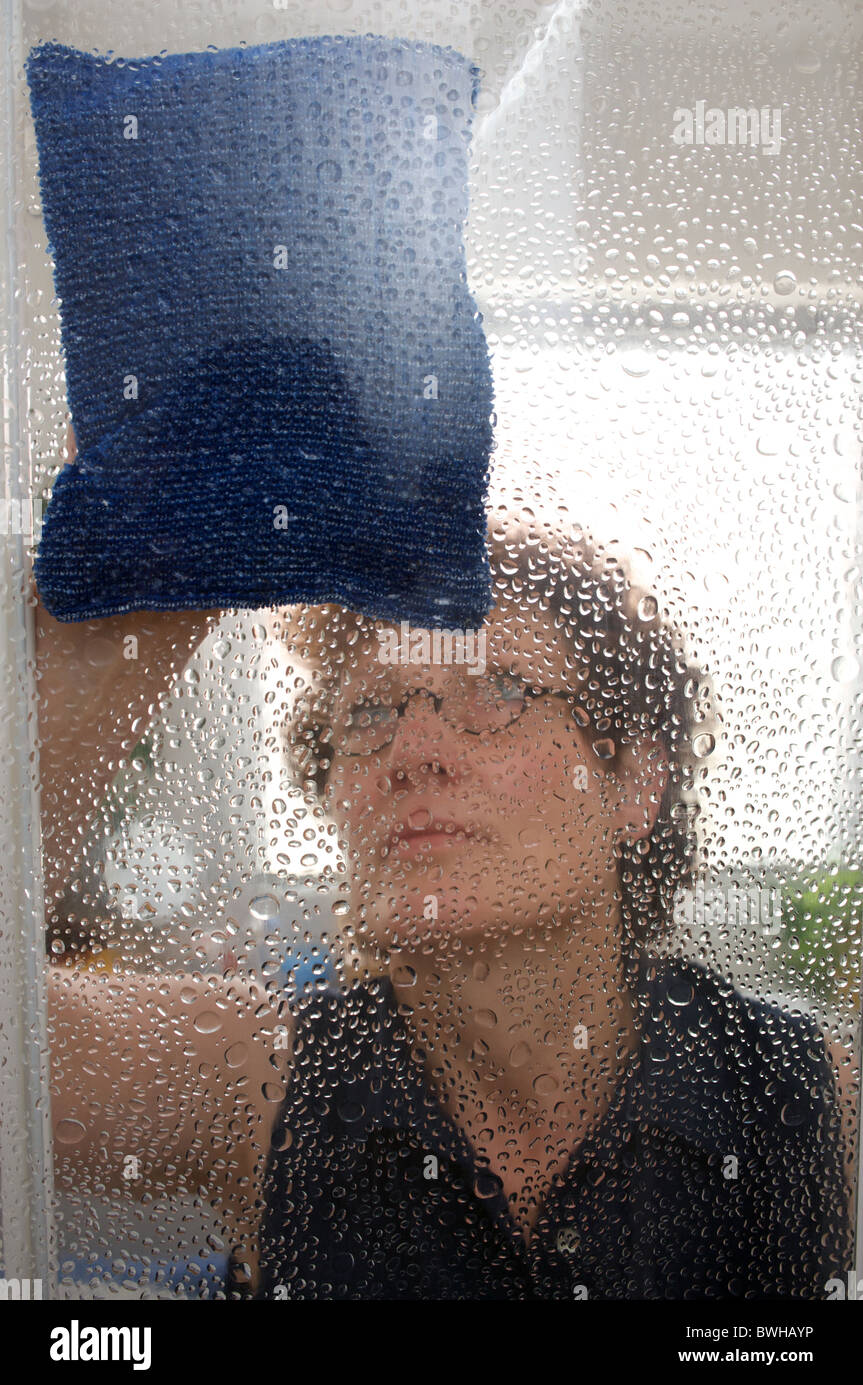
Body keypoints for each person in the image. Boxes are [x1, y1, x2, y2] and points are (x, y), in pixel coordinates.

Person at [39, 430, 855, 1299]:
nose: (412, 749)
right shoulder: (258, 1080)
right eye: (366, 714)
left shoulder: (809, 1104)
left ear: (632, 787)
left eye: (499, 690)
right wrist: (141, 591)